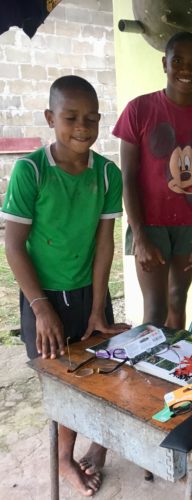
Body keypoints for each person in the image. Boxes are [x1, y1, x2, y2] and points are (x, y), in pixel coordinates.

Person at [1, 75, 129, 497]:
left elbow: (104, 244)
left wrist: (97, 308)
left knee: (100, 374)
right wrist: (41, 309)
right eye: (71, 117)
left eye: (91, 118)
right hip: (44, 296)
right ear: (49, 118)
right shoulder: (31, 171)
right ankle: (63, 461)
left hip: (89, 293)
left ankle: (98, 449)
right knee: (60, 383)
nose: (82, 127)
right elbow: (14, 244)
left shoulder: (108, 174)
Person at [113, 31, 192, 330]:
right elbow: (128, 177)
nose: (185, 70)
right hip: (149, 225)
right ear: (163, 63)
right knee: (155, 310)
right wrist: (138, 235)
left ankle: (174, 373)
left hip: (189, 226)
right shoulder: (139, 110)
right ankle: (146, 372)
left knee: (178, 301)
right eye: (177, 61)